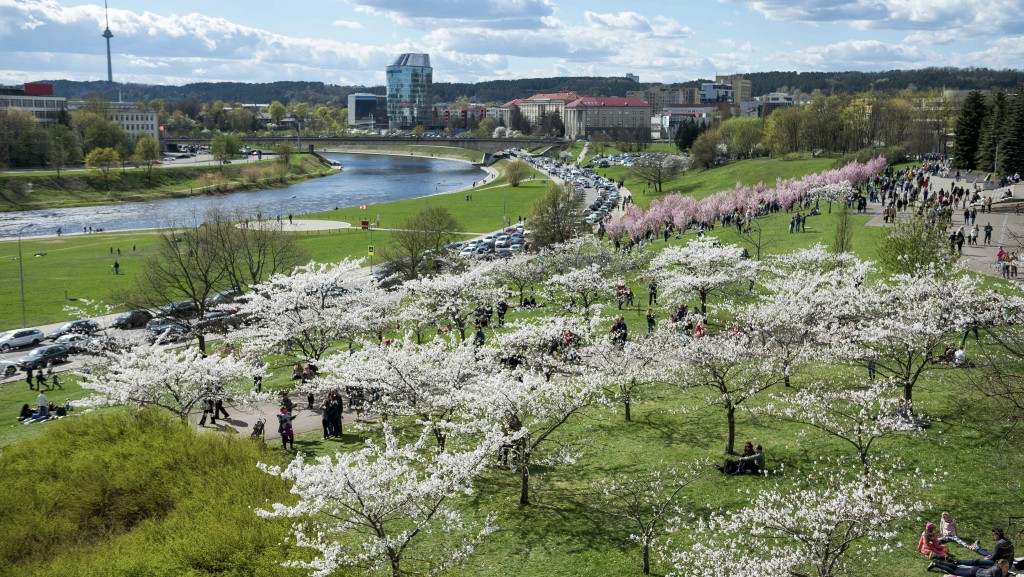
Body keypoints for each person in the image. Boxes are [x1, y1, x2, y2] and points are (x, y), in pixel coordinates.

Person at [929, 557, 1010, 576]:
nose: (1007, 568)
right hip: (972, 573)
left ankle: (938, 561)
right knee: (954, 571)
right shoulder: (997, 571)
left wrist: (1009, 574)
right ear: (1002, 565)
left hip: (976, 570)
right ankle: (935, 564)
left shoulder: (997, 567)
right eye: (1006, 566)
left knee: (957, 568)